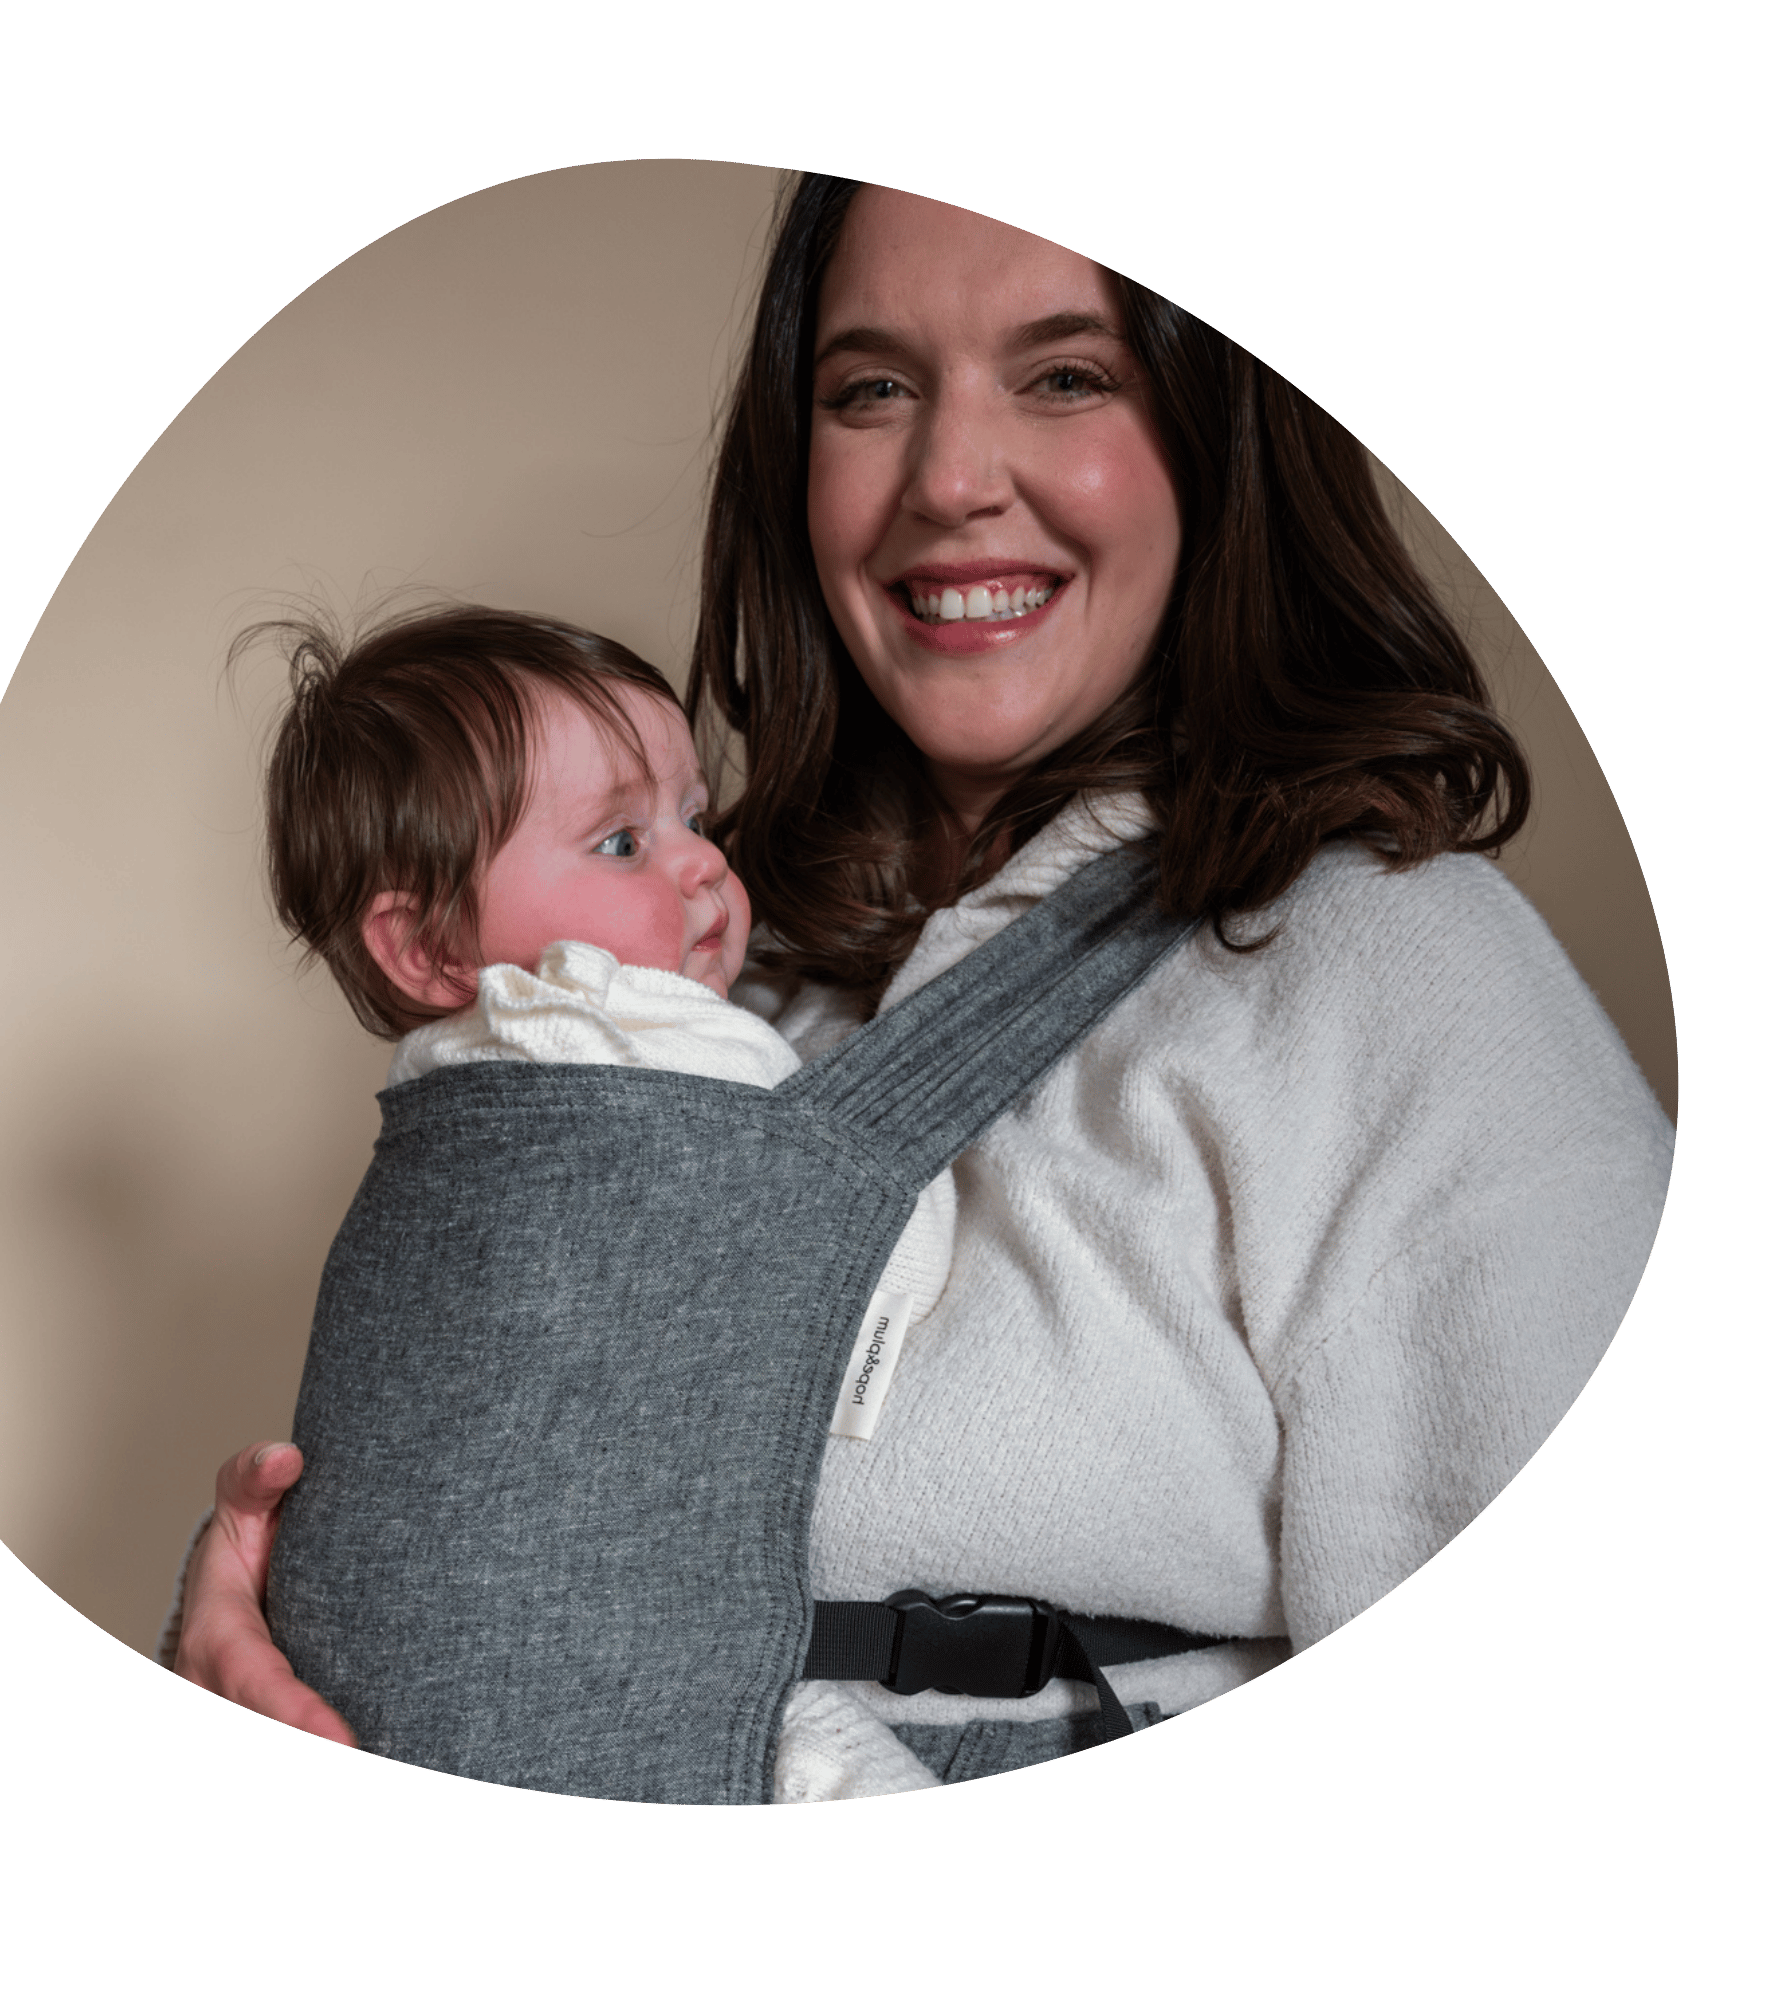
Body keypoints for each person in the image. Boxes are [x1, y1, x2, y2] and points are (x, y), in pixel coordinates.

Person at [170, 178, 1674, 1793]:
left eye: (1067, 375)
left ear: (1220, 443)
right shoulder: (679, 991)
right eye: (873, 388)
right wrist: (269, 1643)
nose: (950, 479)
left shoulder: (1403, 981)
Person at [191, 601, 957, 1799]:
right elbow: (854, 1228)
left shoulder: (434, 1083)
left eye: (693, 816)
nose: (701, 862)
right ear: (427, 946)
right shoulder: (668, 1038)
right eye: (621, 841)